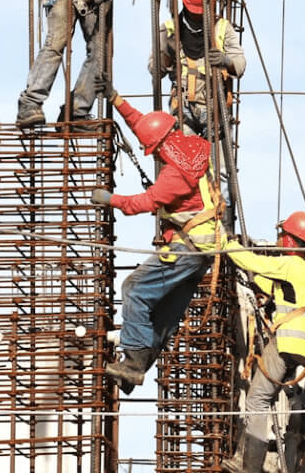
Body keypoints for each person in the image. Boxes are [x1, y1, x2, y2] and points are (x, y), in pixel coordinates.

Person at [93, 92, 227, 390]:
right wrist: (116, 100)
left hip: (187, 247)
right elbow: (146, 125)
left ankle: (133, 362)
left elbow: (145, 202)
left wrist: (111, 199)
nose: (153, 156)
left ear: (161, 146)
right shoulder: (191, 146)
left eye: (153, 151)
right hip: (202, 250)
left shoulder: (175, 175)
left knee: (134, 289)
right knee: (165, 314)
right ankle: (135, 369)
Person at [224, 212, 305, 473]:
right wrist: (254, 281)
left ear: (291, 240)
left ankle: (249, 467)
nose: (280, 238)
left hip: (286, 343)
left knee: (257, 400)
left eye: (283, 234)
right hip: (304, 348)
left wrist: (228, 244)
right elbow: (279, 289)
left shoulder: (290, 264)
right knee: (281, 392)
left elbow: (253, 261)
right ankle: (297, 400)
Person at [152, 0, 246, 137]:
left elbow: (240, 66)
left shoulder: (222, 28)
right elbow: (155, 70)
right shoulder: (169, 30)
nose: (198, 15)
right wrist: (167, 54)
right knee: (187, 151)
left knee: (218, 154)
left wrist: (225, 61)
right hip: (183, 110)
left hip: (215, 111)